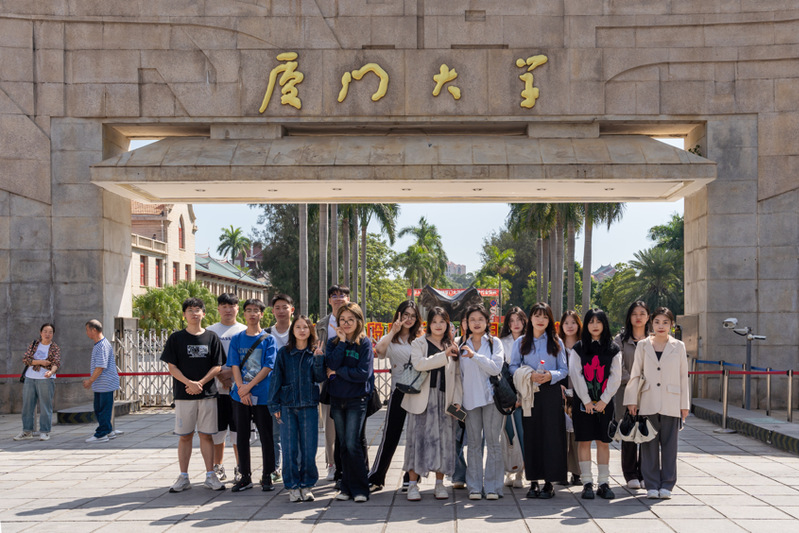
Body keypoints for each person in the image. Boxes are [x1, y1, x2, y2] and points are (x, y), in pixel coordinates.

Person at [161, 298, 226, 492]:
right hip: (184, 395)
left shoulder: (212, 337)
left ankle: (210, 475)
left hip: (207, 395)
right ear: (184, 315)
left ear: (203, 314)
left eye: (198, 310)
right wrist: (189, 383)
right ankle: (183, 477)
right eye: (190, 310)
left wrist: (201, 383)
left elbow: (217, 366)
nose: (194, 313)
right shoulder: (176, 338)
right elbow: (172, 367)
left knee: (207, 436)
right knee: (185, 436)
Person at [625, 307, 689, 500]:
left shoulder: (679, 346)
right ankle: (652, 484)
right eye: (657, 322)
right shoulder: (643, 345)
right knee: (649, 446)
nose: (661, 326)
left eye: (665, 322)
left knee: (670, 446)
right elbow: (636, 373)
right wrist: (632, 399)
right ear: (651, 324)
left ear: (672, 325)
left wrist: (684, 404)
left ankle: (667, 484)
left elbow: (683, 377)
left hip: (672, 401)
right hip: (648, 400)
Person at [402, 307, 463, 501]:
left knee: (444, 441)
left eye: (442, 321)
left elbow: (457, 376)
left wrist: (457, 401)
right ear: (428, 323)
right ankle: (413, 485)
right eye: (435, 321)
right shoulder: (419, 343)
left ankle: (439, 484)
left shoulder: (452, 345)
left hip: (445, 399)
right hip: (422, 398)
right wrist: (444, 355)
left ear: (447, 324)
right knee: (417, 440)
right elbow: (419, 364)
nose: (438, 325)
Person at [509, 302, 568, 500]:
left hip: (551, 392)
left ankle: (549, 483)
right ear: (530, 318)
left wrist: (550, 375)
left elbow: (564, 370)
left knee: (551, 437)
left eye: (545, 316)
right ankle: (533, 481)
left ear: (550, 320)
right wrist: (528, 374)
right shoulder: (521, 342)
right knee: (531, 436)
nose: (540, 320)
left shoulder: (556, 342)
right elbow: (512, 366)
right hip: (529, 394)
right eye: (537, 315)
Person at [268, 315, 326, 503]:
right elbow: (276, 378)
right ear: (293, 331)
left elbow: (319, 378)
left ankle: (307, 485)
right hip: (288, 406)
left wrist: (318, 359)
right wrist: (274, 404)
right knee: (290, 448)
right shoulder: (284, 353)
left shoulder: (314, 352)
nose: (302, 330)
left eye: (305, 327)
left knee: (309, 448)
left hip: (309, 405)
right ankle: (292, 486)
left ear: (311, 330)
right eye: (298, 327)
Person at [568, 309, 622, 500]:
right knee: (584, 441)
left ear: (604, 324)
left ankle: (604, 483)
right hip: (583, 404)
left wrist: (604, 400)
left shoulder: (613, 349)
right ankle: (587, 483)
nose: (595, 325)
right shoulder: (579, 348)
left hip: (605, 405)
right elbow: (576, 374)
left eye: (599, 321)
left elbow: (615, 377)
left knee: (603, 442)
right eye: (591, 321)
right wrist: (587, 400)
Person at [368, 300, 421, 492]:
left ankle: (411, 477)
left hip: (418, 392)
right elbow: (379, 350)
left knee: (415, 435)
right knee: (390, 435)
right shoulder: (391, 339)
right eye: (405, 314)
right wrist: (393, 331)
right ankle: (377, 476)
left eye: (412, 316)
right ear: (399, 315)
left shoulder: (421, 339)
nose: (409, 319)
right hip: (398, 390)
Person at [325, 302, 374, 503]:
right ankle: (345, 486)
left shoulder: (365, 343)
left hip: (357, 400)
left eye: (350, 320)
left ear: (358, 321)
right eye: (343, 320)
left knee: (353, 444)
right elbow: (330, 364)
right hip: (337, 400)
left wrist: (338, 372)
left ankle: (361, 488)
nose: (346, 323)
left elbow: (363, 373)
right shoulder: (333, 343)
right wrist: (343, 342)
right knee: (343, 445)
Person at [227, 298, 277, 493]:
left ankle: (267, 476)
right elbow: (234, 365)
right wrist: (242, 388)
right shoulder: (237, 338)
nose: (252, 314)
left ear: (262, 314)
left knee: (266, 436)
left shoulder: (269, 339)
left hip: (262, 395)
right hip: (240, 396)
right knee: (242, 436)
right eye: (248, 310)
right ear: (244, 314)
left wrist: (249, 387)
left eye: (256, 310)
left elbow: (268, 367)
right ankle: (245, 476)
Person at [457, 304, 504, 501]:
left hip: (491, 399)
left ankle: (493, 487)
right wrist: (456, 402)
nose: (476, 323)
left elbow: (495, 368)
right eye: (472, 320)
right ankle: (474, 487)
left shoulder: (495, 343)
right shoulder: (460, 345)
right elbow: (458, 376)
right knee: (474, 444)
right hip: (469, 401)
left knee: (493, 443)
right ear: (466, 323)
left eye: (480, 319)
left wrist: (474, 356)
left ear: (487, 322)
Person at [206, 293, 247, 483]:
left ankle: (241, 467)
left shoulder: (244, 330)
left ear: (238, 308)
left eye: (232, 306)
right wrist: (220, 376)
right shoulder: (210, 331)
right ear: (218, 309)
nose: (228, 310)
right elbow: (207, 360)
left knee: (239, 432)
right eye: (224, 306)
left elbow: (249, 360)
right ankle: (218, 466)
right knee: (217, 432)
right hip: (216, 391)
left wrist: (231, 375)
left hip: (240, 390)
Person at [613, 301, 651, 490]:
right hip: (626, 391)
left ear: (648, 317)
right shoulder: (620, 340)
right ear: (629, 317)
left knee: (646, 432)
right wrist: (636, 382)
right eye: (635, 313)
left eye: (642, 313)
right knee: (628, 432)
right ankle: (630, 474)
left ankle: (645, 472)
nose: (638, 317)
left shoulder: (653, 340)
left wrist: (646, 384)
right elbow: (618, 367)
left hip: (649, 393)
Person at [316, 284, 350, 482]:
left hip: (350, 379)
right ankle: (331, 463)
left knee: (351, 424)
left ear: (348, 299)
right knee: (330, 425)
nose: (338, 298)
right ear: (329, 300)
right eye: (334, 296)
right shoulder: (322, 324)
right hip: (328, 380)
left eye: (342, 295)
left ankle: (349, 464)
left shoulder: (354, 320)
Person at [266, 293, 295, 485]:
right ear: (272, 311)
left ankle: (294, 468)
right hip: (273, 389)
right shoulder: (266, 333)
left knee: (296, 433)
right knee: (275, 432)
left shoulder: (299, 330)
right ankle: (275, 468)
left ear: (292, 310)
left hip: (296, 389)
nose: (281, 311)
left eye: (285, 307)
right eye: (277, 307)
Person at [15, 323, 60, 442]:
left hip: (46, 379)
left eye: (50, 332)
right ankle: (27, 431)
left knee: (45, 406)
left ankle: (45, 431)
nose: (47, 334)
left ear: (53, 334)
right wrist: (41, 362)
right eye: (45, 331)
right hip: (30, 377)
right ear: (40, 332)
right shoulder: (34, 344)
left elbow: (56, 363)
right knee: (27, 406)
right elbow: (26, 359)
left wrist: (51, 372)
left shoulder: (54, 347)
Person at [500, 306, 527, 488]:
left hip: (526, 393)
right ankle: (509, 470)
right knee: (508, 432)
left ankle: (521, 472)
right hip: (507, 393)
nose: (515, 324)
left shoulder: (531, 341)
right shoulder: (501, 342)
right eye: (512, 321)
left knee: (523, 433)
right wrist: (509, 397)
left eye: (519, 320)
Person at [83, 319, 121, 443]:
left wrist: (90, 381)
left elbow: (100, 366)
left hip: (105, 384)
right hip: (102, 384)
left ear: (94, 330)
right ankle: (108, 430)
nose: (86, 333)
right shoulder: (100, 344)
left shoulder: (102, 345)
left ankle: (101, 434)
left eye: (87, 330)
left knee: (103, 409)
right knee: (100, 409)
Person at [558, 310, 583, 486]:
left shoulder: (584, 346)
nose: (569, 326)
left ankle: (577, 472)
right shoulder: (556, 346)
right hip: (560, 394)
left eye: (573, 322)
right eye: (566, 323)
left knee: (577, 435)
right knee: (560, 434)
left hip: (580, 395)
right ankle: (560, 472)